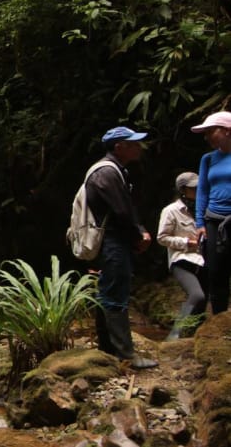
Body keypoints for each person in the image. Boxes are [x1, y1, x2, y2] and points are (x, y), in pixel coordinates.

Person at [86, 126, 157, 369]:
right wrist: (138, 235)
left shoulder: (114, 170)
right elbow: (121, 211)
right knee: (115, 295)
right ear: (119, 147)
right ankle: (125, 354)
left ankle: (107, 350)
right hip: (113, 242)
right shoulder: (107, 172)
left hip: (114, 241)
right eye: (133, 143)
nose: (139, 147)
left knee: (107, 293)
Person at [157, 172, 207, 340]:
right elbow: (162, 238)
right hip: (182, 260)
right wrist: (186, 242)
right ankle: (174, 335)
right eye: (194, 188)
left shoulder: (205, 208)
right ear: (183, 189)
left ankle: (193, 337)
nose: (198, 190)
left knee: (204, 300)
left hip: (204, 261)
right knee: (197, 295)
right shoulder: (171, 211)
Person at [192, 110, 231, 314]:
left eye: (210, 131)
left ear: (227, 130)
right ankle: (220, 322)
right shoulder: (208, 159)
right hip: (214, 221)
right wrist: (199, 223)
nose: (206, 137)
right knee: (216, 273)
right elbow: (202, 191)